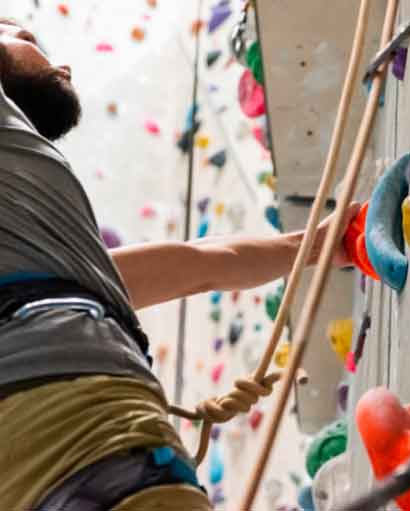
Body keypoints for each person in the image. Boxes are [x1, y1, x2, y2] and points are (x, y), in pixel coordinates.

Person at [0, 17, 358, 511]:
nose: (60, 62)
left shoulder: (46, 249)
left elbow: (202, 262)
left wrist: (312, 247)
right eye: (26, 37)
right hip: (86, 440)